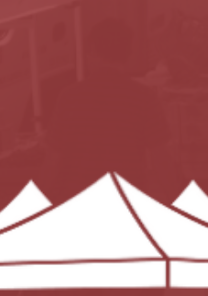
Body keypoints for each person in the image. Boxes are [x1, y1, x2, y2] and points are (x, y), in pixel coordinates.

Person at [41, 18, 168, 199]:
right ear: (127, 53)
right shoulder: (144, 98)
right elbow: (161, 162)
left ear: (93, 51)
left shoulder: (70, 98)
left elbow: (53, 161)